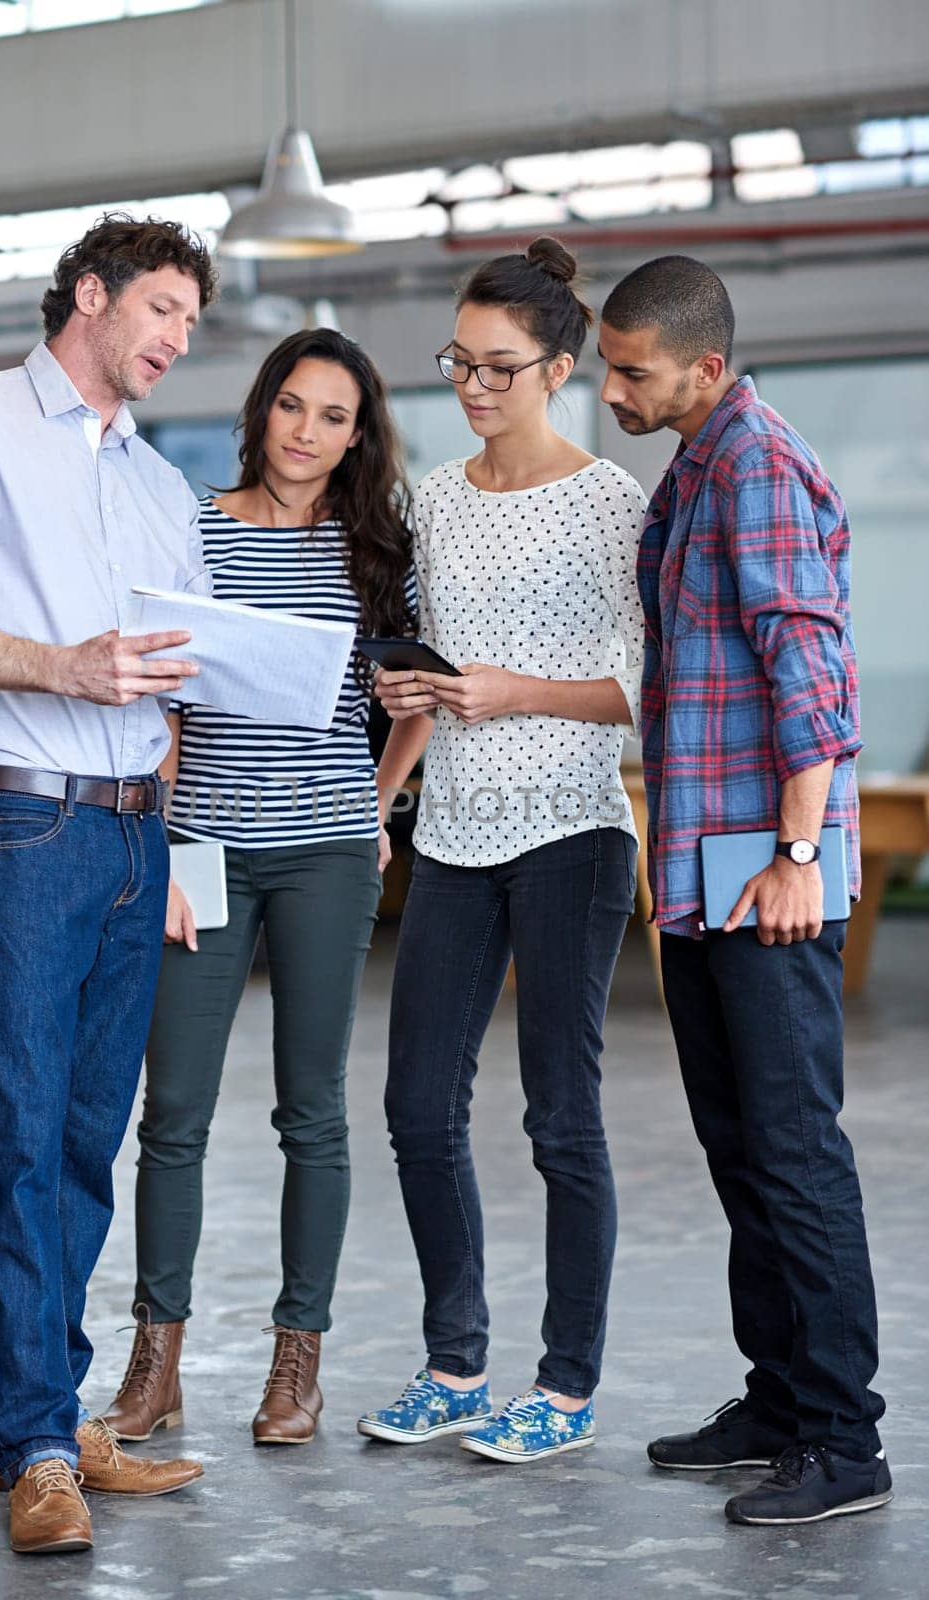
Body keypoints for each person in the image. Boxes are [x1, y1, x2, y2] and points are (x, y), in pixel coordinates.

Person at [0, 214, 216, 1556]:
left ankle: (64, 1425)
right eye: (163, 308)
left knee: (81, 1144)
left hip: (134, 840)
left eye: (190, 319)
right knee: (16, 1137)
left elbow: (178, 684)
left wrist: (181, 849)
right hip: (18, 829)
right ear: (90, 294)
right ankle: (33, 1451)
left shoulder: (159, 488)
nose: (177, 339)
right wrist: (63, 667)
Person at [598, 254, 891, 1525]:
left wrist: (799, 855)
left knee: (794, 1152)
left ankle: (842, 1438)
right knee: (740, 1148)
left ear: (703, 367)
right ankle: (776, 1398)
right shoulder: (698, 464)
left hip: (767, 872)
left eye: (631, 370)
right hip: (707, 873)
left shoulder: (757, 462)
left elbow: (807, 668)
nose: (612, 388)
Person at [357, 238, 645, 1463]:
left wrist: (515, 689)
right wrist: (378, 797)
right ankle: (454, 1364)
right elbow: (427, 685)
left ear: (559, 370)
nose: (472, 386)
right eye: (457, 363)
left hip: (574, 833)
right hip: (455, 837)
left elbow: (642, 687)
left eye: (496, 366)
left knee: (558, 1118)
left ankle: (566, 1387)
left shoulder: (612, 503)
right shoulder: (430, 498)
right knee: (417, 1106)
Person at [102, 328, 414, 1448]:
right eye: (292, 406)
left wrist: (374, 803)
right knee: (173, 1111)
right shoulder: (193, 527)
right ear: (261, 409)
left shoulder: (375, 548)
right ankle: (158, 1359)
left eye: (334, 417)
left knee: (312, 1112)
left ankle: (297, 1363)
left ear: (356, 435)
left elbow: (415, 691)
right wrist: (170, 844)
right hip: (206, 851)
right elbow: (163, 703)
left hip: (327, 852)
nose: (307, 432)